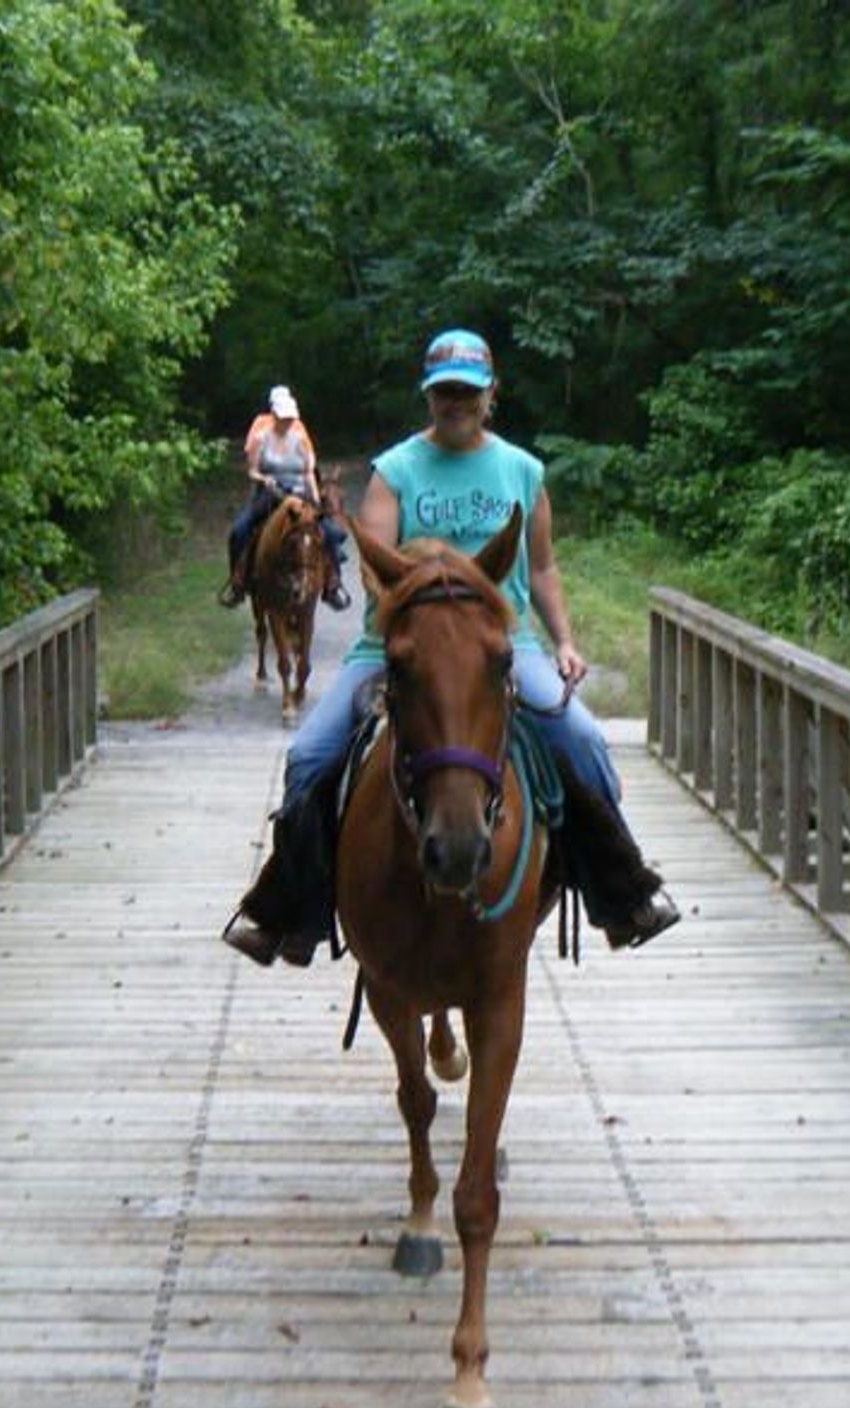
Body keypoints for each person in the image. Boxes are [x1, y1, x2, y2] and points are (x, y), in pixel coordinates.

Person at [222, 329, 679, 966]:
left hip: (502, 644)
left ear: (491, 394)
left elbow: (541, 568)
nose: (455, 403)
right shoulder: (396, 471)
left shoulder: (523, 470)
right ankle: (294, 911)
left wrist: (566, 641)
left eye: (467, 391)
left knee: (583, 742)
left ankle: (619, 893)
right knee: (309, 756)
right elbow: (379, 572)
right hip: (400, 646)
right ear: (428, 397)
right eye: (444, 393)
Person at [219, 384, 351, 610]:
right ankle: (238, 581)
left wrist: (315, 497)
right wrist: (264, 479)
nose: (288, 421)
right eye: (284, 417)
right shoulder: (261, 434)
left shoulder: (299, 436)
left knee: (329, 531)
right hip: (271, 492)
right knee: (240, 529)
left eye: (290, 417)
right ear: (275, 414)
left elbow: (309, 469)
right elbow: (251, 469)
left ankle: (332, 583)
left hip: (298, 491)